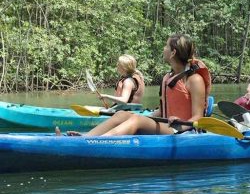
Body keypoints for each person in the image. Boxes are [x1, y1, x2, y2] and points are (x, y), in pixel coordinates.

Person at [62, 34, 211, 136]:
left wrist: (179, 124)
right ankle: (85, 137)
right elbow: (163, 110)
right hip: (166, 125)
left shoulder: (194, 80)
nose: (163, 49)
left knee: (136, 120)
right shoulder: (168, 77)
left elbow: (197, 117)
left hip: (182, 130)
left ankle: (92, 143)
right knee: (122, 115)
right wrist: (148, 117)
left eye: (166, 46)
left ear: (173, 53)